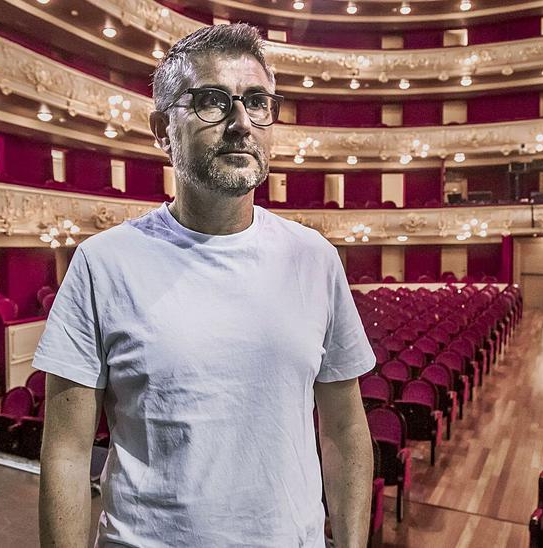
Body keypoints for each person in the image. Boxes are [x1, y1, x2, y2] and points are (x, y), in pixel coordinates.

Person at [36, 23, 375, 548]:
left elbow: (345, 428)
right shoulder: (102, 264)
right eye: (212, 101)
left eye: (257, 101)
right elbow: (66, 449)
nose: (241, 122)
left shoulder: (315, 259)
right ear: (160, 129)